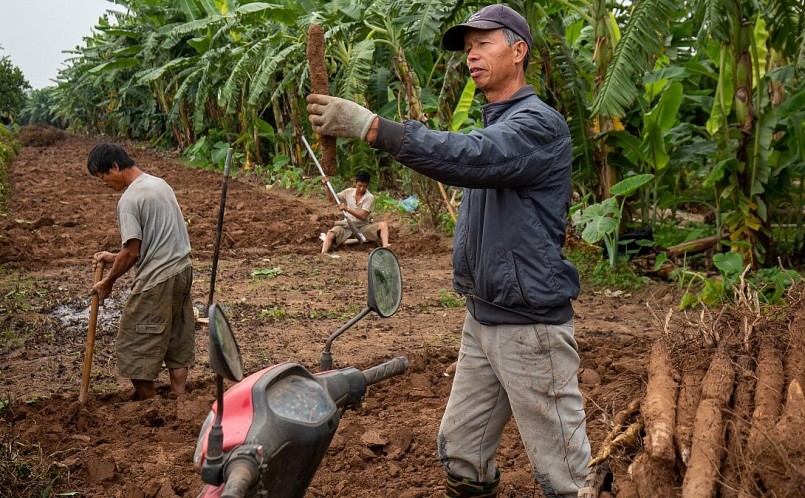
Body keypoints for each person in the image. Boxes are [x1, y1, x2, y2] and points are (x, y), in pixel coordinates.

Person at [306, 4, 591, 497]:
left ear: (518, 51)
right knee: (461, 453)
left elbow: (472, 156)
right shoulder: (499, 121)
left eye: (483, 44)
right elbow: (472, 154)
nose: (471, 56)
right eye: (467, 48)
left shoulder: (537, 125)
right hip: (483, 317)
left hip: (529, 327)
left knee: (565, 476)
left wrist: (374, 128)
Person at [87, 143, 194, 401]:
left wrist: (108, 282)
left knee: (133, 344)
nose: (104, 183)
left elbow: (132, 252)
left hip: (157, 279)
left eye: (102, 176)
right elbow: (154, 240)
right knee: (176, 337)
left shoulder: (129, 200)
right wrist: (115, 258)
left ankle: (152, 403)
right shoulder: (160, 185)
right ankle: (179, 396)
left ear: (115, 166)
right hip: (182, 271)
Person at [320, 170, 390, 254]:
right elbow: (331, 199)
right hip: (347, 225)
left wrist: (347, 209)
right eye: (360, 185)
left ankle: (386, 247)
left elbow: (363, 216)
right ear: (355, 183)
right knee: (330, 234)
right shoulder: (348, 192)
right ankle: (323, 254)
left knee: (383, 225)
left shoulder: (370, 198)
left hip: (363, 227)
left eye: (364, 186)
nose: (362, 188)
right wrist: (327, 186)